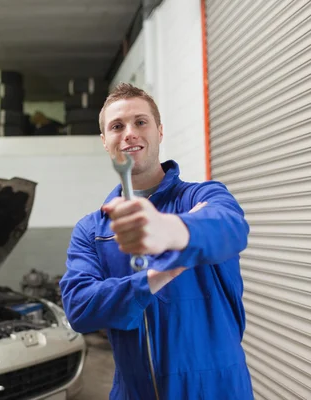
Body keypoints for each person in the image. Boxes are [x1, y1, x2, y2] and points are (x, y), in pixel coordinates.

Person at [59, 83, 254, 400]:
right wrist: (152, 278)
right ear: (105, 142)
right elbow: (79, 308)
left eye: (140, 122)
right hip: (134, 391)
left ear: (160, 131)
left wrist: (170, 230)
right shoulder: (92, 230)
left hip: (217, 388)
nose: (129, 133)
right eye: (117, 126)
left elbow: (231, 229)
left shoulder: (202, 197)